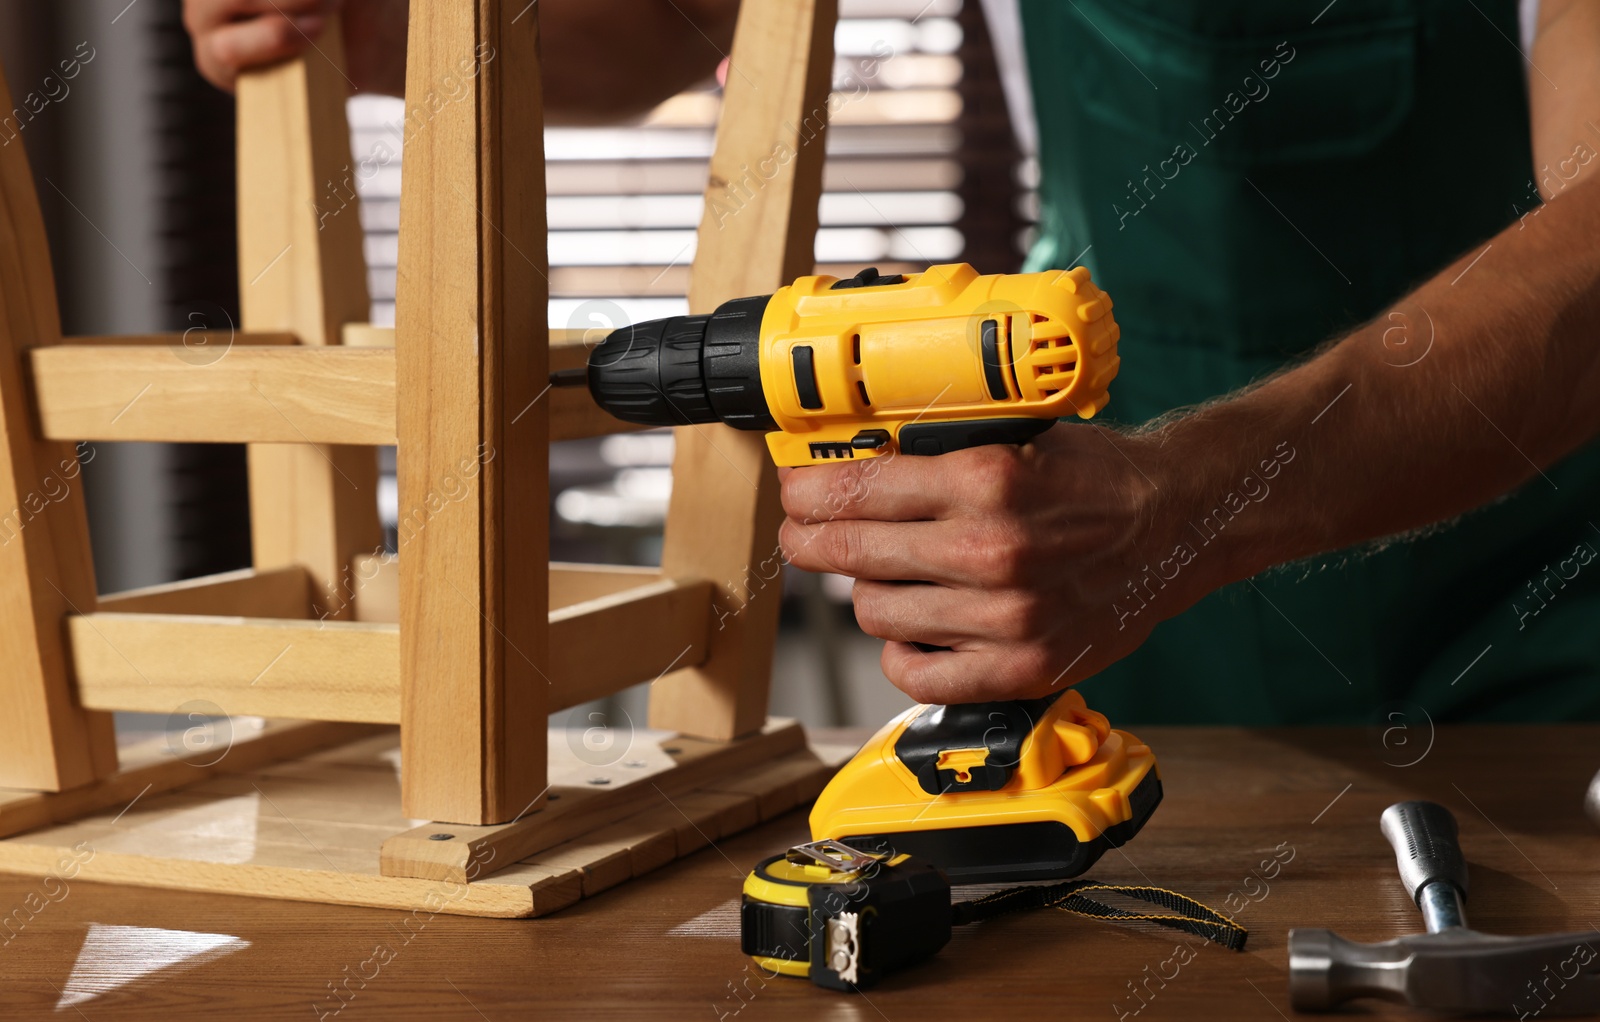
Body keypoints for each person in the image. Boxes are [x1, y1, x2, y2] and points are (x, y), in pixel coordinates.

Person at [185, 0, 1600, 724]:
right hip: (1136, 653)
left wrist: (1185, 503)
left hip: (1528, 651)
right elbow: (675, 17)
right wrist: (387, 23)